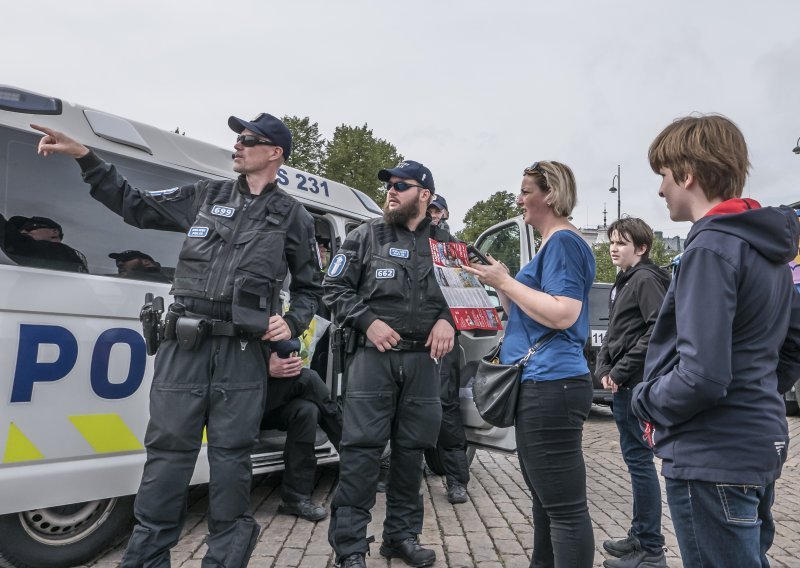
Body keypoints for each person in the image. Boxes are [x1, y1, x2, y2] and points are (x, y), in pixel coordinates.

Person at [32, 113, 323, 568]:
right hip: (183, 345)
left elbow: (310, 287)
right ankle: (146, 559)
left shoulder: (294, 216)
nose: (238, 145)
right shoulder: (205, 195)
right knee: (168, 455)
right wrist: (88, 158)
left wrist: (292, 319)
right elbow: (135, 205)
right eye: (238, 138)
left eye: (248, 139)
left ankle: (224, 558)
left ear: (275, 153)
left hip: (243, 354)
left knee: (231, 460)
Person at [631, 114, 800, 568]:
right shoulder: (769, 251)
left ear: (687, 174)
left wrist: (644, 400)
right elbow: (791, 349)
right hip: (756, 444)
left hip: (712, 453)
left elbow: (702, 375)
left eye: (664, 176)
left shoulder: (710, 247)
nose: (661, 189)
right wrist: (754, 388)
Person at [324, 160, 455, 568]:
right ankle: (348, 547)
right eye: (389, 186)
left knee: (411, 453)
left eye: (402, 185)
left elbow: (470, 296)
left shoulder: (447, 247)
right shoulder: (366, 236)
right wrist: (369, 321)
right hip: (372, 359)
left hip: (422, 363)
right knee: (361, 452)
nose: (392, 191)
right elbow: (333, 288)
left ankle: (400, 537)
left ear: (425, 195)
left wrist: (448, 321)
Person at [464, 160, 596, 568]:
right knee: (547, 501)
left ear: (550, 194)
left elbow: (563, 313)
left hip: (551, 383)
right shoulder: (553, 244)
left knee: (564, 507)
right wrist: (504, 282)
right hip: (547, 380)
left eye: (526, 190)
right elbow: (533, 312)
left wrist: (506, 283)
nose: (519, 199)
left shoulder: (563, 243)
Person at [595, 218, 670, 568]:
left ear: (640, 248)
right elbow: (616, 331)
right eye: (612, 241)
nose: (613, 247)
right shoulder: (625, 280)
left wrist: (621, 371)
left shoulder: (644, 279)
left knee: (640, 462)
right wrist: (604, 368)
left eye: (622, 243)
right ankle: (640, 535)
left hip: (636, 385)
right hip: (624, 382)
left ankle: (650, 548)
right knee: (635, 460)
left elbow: (658, 330)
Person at [261, 339, 342, 522]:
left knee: (306, 411)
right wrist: (264, 365)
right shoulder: (239, 316)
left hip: (267, 398)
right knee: (309, 378)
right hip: (240, 399)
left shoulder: (277, 317)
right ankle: (358, 458)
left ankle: (295, 498)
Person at [1, 214, 88, 273]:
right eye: (20, 231)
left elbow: (16, 245)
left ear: (54, 232)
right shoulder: (64, 259)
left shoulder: (61, 253)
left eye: (31, 227)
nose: (23, 231)